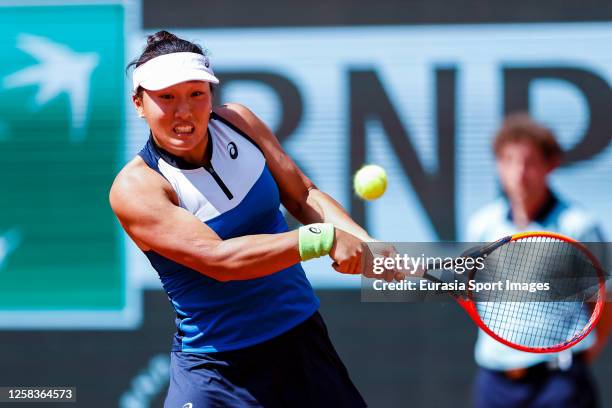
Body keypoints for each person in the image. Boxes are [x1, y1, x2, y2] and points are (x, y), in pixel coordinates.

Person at [109, 31, 387, 407]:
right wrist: (323, 238)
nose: (184, 111)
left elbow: (302, 194)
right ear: (139, 104)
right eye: (166, 98)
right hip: (216, 373)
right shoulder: (136, 187)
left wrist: (366, 244)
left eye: (196, 94)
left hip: (301, 343)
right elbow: (220, 260)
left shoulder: (240, 122)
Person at [466, 113, 606, 408]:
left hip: (559, 385)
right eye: (509, 161)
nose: (519, 173)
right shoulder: (482, 225)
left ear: (549, 165)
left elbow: (605, 306)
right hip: (493, 384)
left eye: (529, 162)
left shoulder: (578, 225)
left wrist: (575, 357)